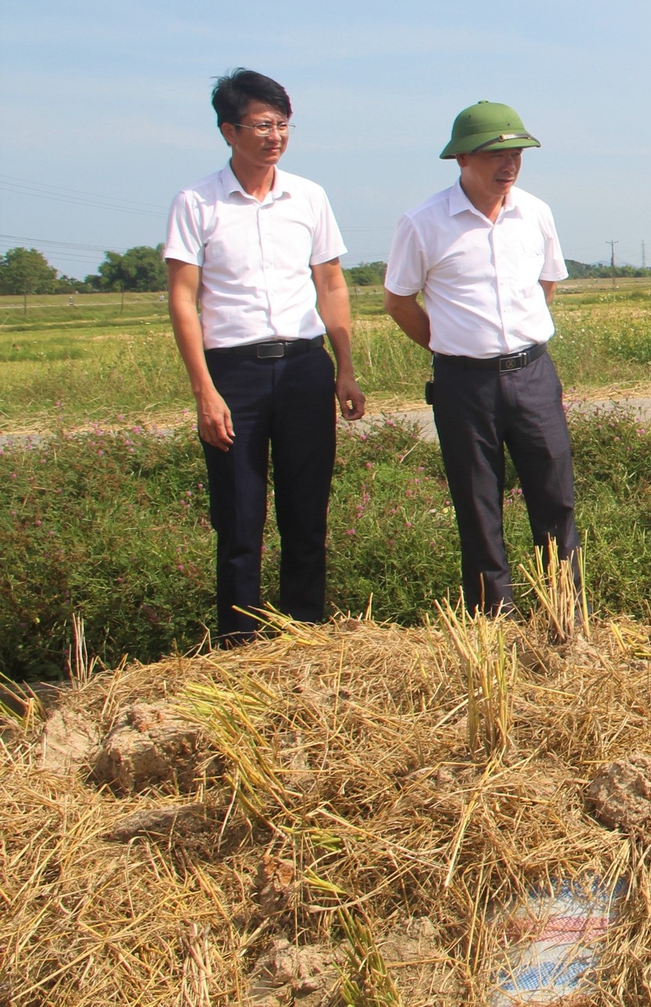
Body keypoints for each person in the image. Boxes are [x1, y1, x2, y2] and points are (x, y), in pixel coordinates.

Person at [164, 68, 366, 645]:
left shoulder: (309, 196)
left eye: (282, 123)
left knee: (307, 513)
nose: (274, 134)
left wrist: (344, 365)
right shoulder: (196, 203)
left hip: (305, 365)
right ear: (229, 130)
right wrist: (204, 390)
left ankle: (304, 635)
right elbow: (184, 299)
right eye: (261, 124)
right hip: (233, 373)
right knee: (239, 517)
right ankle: (241, 644)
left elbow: (330, 282)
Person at [383, 102, 577, 614]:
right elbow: (398, 300)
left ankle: (564, 616)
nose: (508, 164)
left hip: (533, 374)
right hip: (464, 385)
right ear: (462, 158)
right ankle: (495, 620)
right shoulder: (423, 223)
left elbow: (547, 284)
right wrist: (453, 344)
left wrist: (513, 340)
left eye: (516, 152)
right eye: (496, 153)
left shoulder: (535, 213)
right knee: (478, 504)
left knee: (555, 498)